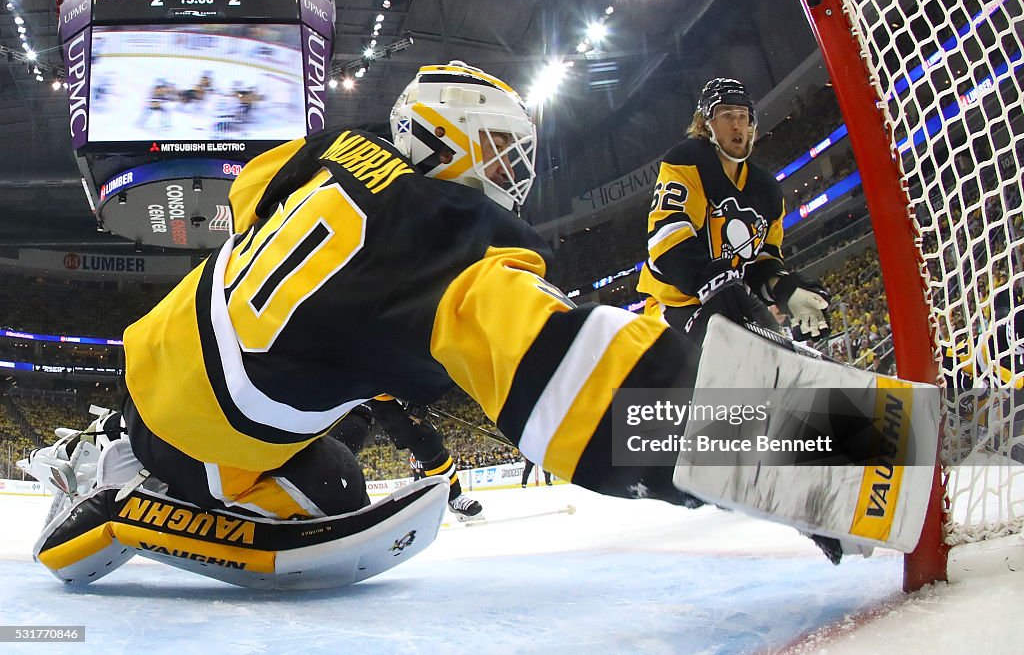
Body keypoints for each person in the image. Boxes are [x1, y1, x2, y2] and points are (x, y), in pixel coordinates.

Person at [23, 62, 898, 589]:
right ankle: (141, 483)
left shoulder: (326, 151)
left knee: (350, 392)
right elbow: (577, 385)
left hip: (151, 354)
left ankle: (111, 440)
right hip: (217, 437)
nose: (514, 180)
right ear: (453, 145)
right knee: (336, 489)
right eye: (506, 157)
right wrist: (797, 448)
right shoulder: (451, 247)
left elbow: (250, 194)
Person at [636, 77, 831, 342]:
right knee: (729, 356)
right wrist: (715, 285)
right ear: (706, 124)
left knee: (767, 351)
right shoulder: (688, 160)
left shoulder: (768, 190)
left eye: (743, 116)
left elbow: (762, 260)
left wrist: (786, 289)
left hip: (727, 299)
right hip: (672, 303)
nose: (737, 124)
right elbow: (667, 238)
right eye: (726, 115)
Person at [331, 397, 484, 518]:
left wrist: (416, 395)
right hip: (351, 395)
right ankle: (337, 509)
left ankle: (454, 494)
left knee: (426, 438)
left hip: (385, 389)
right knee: (342, 441)